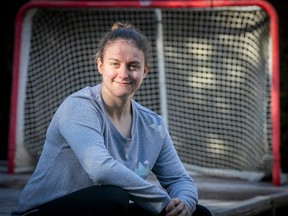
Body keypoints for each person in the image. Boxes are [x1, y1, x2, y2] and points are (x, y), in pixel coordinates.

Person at [12, 22, 212, 216]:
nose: (123, 74)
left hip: (107, 208)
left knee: (198, 213)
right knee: (113, 197)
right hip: (43, 211)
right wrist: (162, 201)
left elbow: (179, 179)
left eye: (133, 66)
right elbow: (101, 170)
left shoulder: (153, 125)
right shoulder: (79, 107)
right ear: (100, 65)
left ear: (145, 71)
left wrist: (183, 202)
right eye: (115, 64)